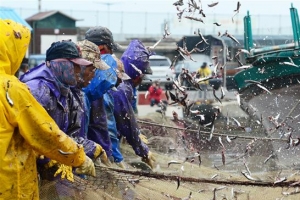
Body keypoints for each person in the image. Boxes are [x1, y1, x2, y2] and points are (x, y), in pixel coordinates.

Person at [0, 19, 95, 200]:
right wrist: (78, 156)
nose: (78, 71)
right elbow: (44, 133)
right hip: (9, 185)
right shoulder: (11, 89)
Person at [20, 40, 108, 181]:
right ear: (61, 64)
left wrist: (85, 149)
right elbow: (30, 137)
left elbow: (67, 133)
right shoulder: (38, 91)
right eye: (75, 66)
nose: (79, 71)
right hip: (26, 173)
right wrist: (53, 158)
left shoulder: (64, 90)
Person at [116, 39, 156, 168]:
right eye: (143, 75)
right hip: (106, 144)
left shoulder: (124, 84)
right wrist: (143, 151)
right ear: (138, 74)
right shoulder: (122, 88)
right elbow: (127, 124)